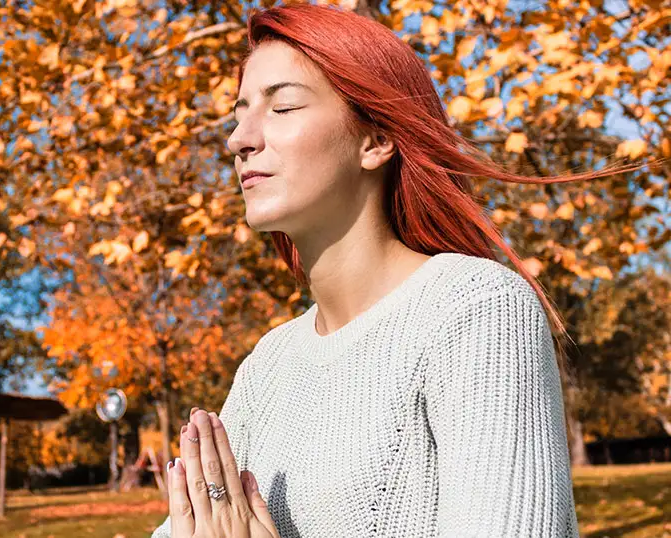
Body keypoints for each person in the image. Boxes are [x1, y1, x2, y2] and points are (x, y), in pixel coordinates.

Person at [150, 3, 646, 538]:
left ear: (375, 140)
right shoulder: (266, 366)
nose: (238, 139)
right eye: (239, 113)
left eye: (283, 107)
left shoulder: (477, 311)